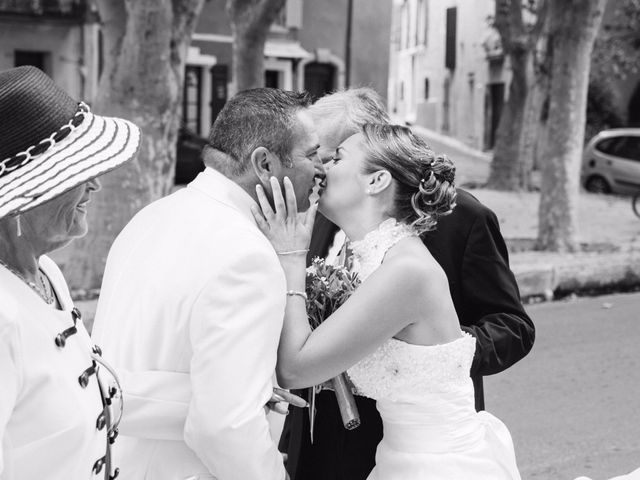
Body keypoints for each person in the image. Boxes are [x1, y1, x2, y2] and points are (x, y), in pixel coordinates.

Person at [279, 88, 535, 480]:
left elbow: (513, 326)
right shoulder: (319, 213)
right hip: (327, 440)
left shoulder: (447, 230)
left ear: (376, 163)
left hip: (419, 451)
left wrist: (430, 351)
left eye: (328, 155)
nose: (315, 166)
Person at [91, 88, 325, 480]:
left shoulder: (152, 215)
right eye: (312, 154)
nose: (322, 169)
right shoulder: (246, 256)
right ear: (264, 163)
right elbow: (224, 428)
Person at [0, 66, 141, 479]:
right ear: (21, 200)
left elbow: (89, 388)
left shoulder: (45, 275)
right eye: (78, 173)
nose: (95, 184)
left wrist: (224, 394)